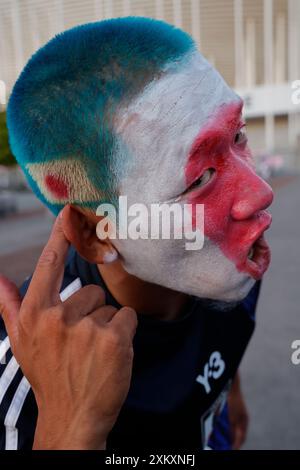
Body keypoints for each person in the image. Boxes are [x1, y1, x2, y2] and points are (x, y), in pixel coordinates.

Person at [0, 16, 273, 450]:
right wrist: (68, 428)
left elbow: (219, 327)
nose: (260, 193)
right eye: (201, 177)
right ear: (97, 234)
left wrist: (226, 398)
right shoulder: (32, 381)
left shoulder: (226, 263)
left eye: (238, 136)